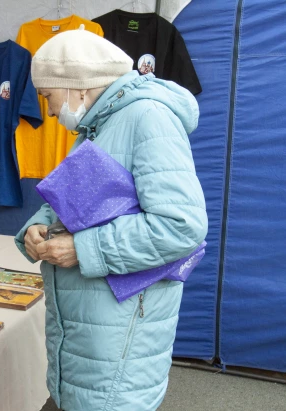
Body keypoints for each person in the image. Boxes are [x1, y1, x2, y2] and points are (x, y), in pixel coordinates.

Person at [14, 29, 208, 410]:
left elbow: (180, 225)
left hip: (121, 327)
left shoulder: (148, 119)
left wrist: (82, 249)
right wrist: (37, 227)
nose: (50, 111)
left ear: (79, 88)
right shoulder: (99, 124)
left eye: (49, 96)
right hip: (96, 325)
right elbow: (77, 197)